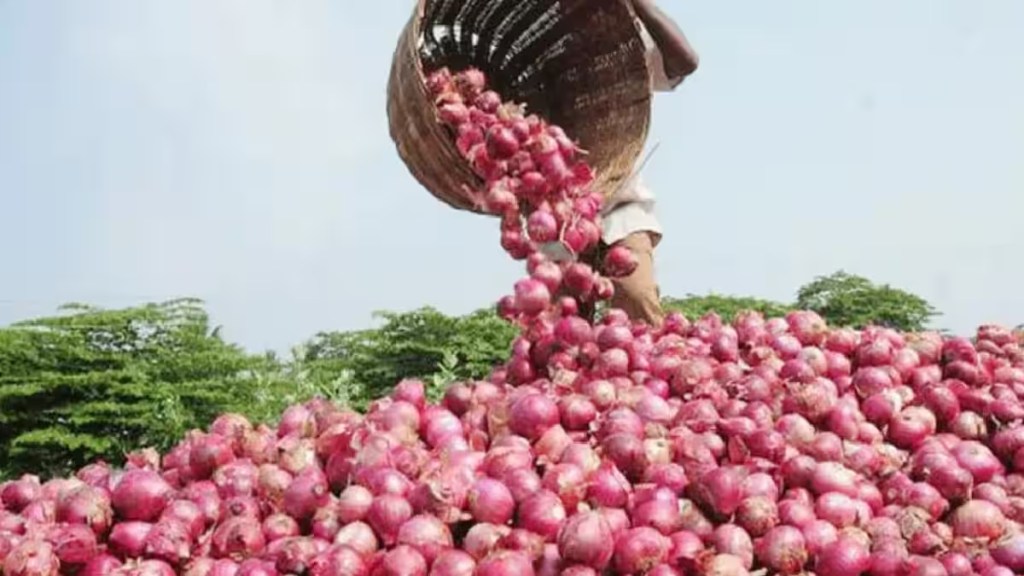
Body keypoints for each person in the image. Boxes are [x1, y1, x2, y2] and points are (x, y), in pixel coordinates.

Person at [590, 0, 699, 327]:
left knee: (637, 301)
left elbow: (685, 63)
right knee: (556, 329)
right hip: (558, 218)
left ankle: (648, 369)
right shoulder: (542, 60)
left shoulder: (623, 49)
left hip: (620, 208)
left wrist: (639, 4)